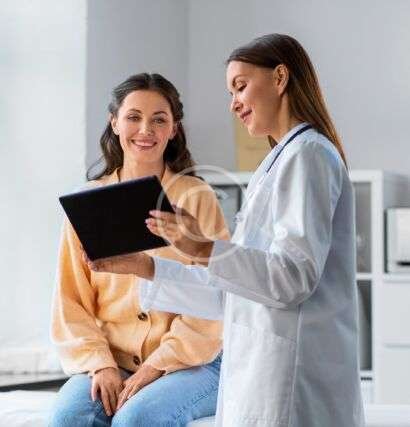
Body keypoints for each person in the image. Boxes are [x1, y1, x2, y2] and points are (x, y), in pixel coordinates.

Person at [86, 35, 365, 426]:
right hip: (262, 368)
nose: (233, 103)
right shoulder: (279, 161)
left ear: (280, 78)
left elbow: (293, 278)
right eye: (231, 92)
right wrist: (145, 267)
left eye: (240, 86)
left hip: (292, 377)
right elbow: (233, 292)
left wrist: (203, 248)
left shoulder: (309, 156)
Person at [49, 73, 229, 427]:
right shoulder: (86, 203)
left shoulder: (197, 198)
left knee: (137, 419)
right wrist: (101, 364)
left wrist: (155, 366)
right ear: (114, 122)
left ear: (174, 129)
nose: (146, 130)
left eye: (159, 119)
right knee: (70, 417)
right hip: (112, 359)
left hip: (193, 360)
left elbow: (217, 297)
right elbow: (70, 302)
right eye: (133, 117)